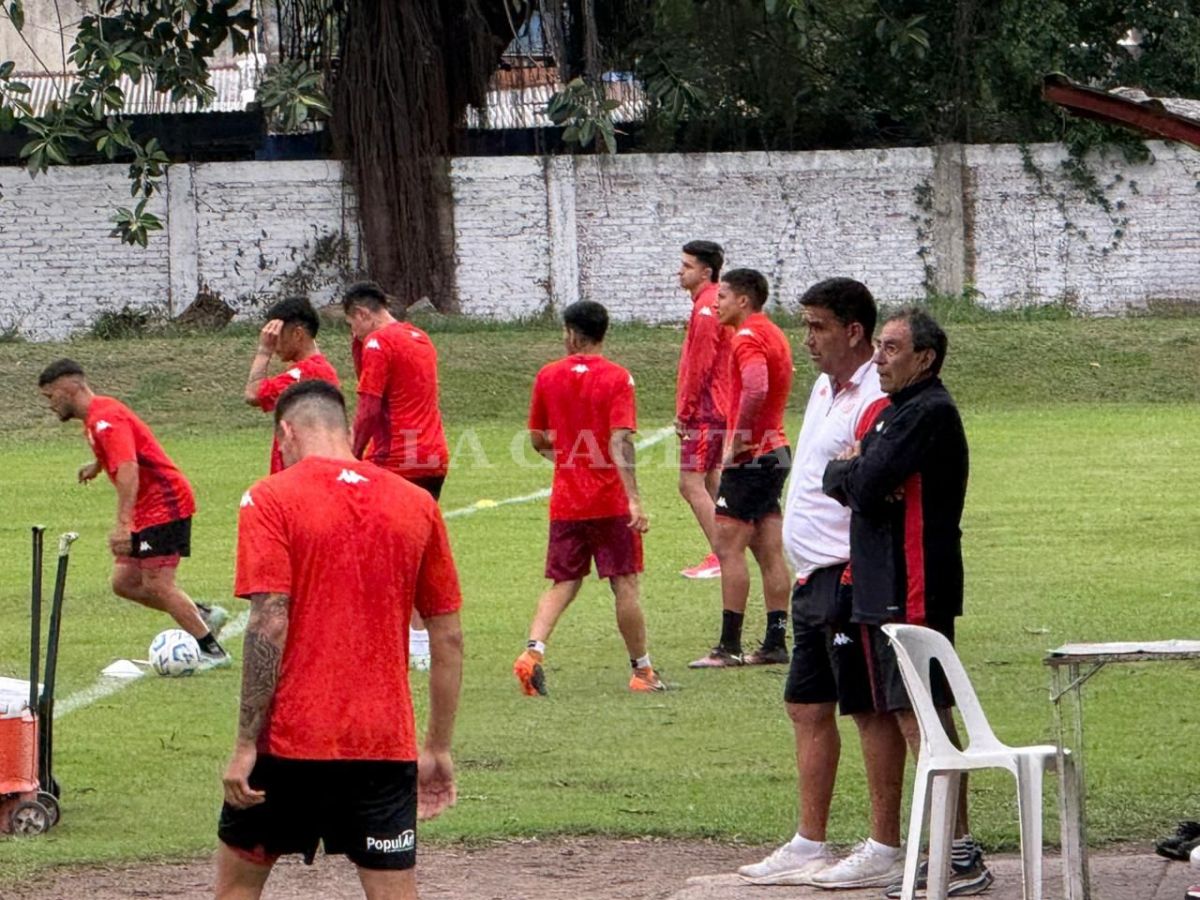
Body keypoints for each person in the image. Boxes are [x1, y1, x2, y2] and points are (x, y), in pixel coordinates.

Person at [216, 380, 463, 900]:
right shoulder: (417, 503)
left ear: (286, 432)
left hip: (288, 741)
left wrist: (244, 744)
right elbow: (448, 636)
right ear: (348, 431)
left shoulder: (269, 497)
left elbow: (269, 620)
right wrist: (438, 746)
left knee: (237, 890)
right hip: (383, 745)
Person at [820, 307, 992, 895]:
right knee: (908, 715)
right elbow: (839, 479)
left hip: (913, 585)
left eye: (891, 348)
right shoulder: (892, 411)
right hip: (881, 583)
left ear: (925, 358)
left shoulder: (928, 411)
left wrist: (857, 471)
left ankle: (960, 855)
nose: (878, 358)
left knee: (925, 719)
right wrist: (853, 471)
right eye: (880, 347)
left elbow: (866, 485)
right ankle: (950, 850)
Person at [738, 278, 899, 886]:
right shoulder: (824, 387)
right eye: (805, 325)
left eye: (817, 327)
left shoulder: (874, 396)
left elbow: (868, 481)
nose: (806, 339)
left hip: (849, 573)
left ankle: (884, 844)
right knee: (805, 705)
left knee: (868, 710)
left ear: (853, 331)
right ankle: (809, 841)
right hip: (811, 576)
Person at [513, 299, 665, 696]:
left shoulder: (548, 375)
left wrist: (567, 460)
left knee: (563, 582)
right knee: (624, 583)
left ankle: (532, 652)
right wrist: (634, 499)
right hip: (610, 501)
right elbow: (620, 440)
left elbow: (537, 439)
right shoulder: (618, 378)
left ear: (571, 333)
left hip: (567, 501)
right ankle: (642, 672)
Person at [37, 358, 229, 667]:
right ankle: (203, 614)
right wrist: (97, 466)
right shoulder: (96, 419)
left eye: (51, 396)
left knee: (157, 584)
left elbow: (128, 469)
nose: (50, 404)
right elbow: (122, 450)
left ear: (69, 387)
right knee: (124, 582)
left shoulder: (106, 419)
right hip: (147, 506)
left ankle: (212, 651)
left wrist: (123, 524)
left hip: (165, 503)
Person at [342, 281, 450, 670]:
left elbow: (369, 409)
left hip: (396, 461)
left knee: (381, 552)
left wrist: (351, 456)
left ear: (361, 314)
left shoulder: (378, 344)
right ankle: (417, 639)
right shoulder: (419, 337)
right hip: (432, 458)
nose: (353, 333)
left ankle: (411, 642)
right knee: (412, 550)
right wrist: (357, 346)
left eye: (351, 325)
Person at [690, 269, 792, 669]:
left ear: (744, 301)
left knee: (728, 548)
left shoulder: (746, 337)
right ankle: (775, 642)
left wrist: (736, 442)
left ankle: (729, 647)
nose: (717, 303)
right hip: (777, 450)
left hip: (752, 456)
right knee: (768, 549)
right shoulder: (774, 333)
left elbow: (756, 386)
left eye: (724, 296)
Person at [674, 239, 731, 580]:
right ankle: (730, 545)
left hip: (707, 409)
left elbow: (700, 364)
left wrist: (685, 410)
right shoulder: (712, 302)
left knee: (689, 483)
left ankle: (723, 555)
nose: (680, 272)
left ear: (706, 272)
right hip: (717, 407)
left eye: (687, 266)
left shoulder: (707, 307)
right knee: (711, 479)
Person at [243, 295, 341, 474]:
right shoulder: (317, 368)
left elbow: (253, 394)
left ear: (297, 334)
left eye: (277, 337)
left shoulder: (308, 372)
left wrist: (264, 352)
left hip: (301, 475)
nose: (274, 345)